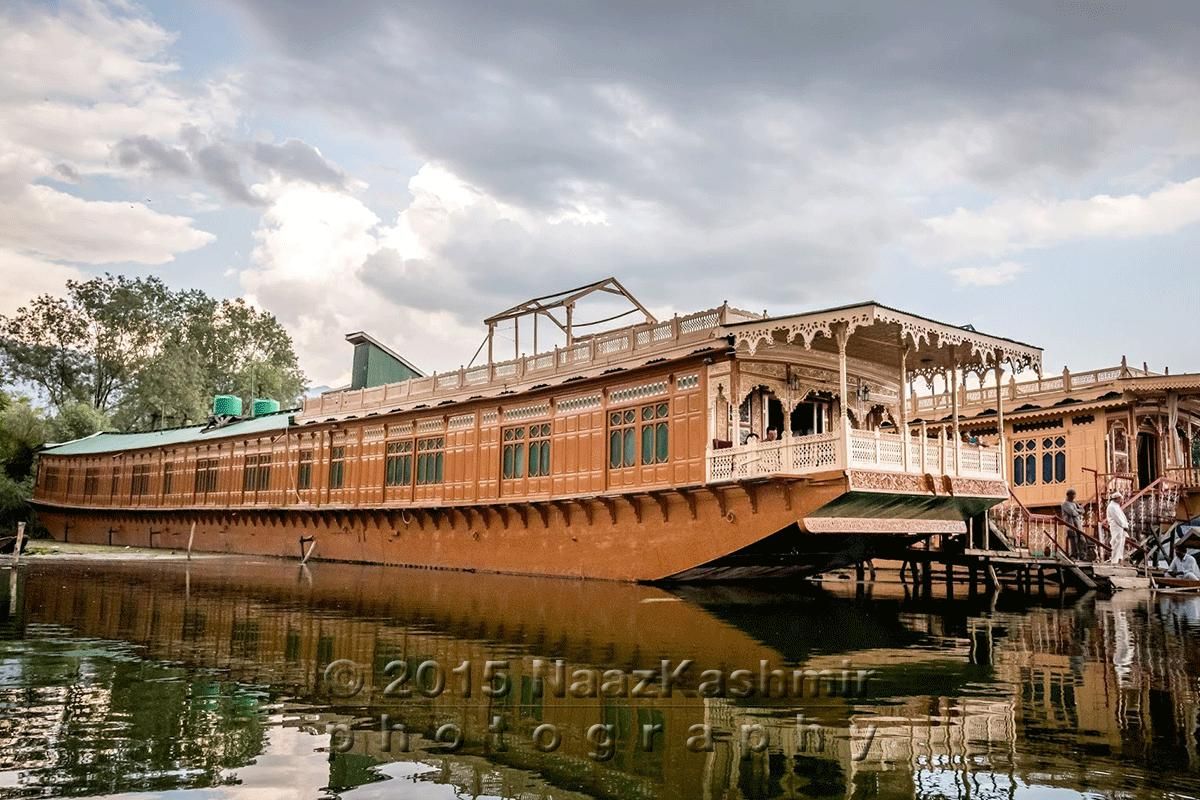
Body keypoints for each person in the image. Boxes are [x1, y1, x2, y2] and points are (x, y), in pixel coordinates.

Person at [1060, 489, 1086, 559]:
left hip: (1077, 524)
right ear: (1068, 495)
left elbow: (1083, 510)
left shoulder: (1075, 503)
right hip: (1070, 524)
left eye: (1074, 495)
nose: (1074, 496)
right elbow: (1072, 512)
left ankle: (1081, 554)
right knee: (1073, 540)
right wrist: (1078, 511)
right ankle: (1074, 555)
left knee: (1082, 539)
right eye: (1072, 495)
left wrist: (1077, 510)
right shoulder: (1065, 504)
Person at [1105, 491, 1130, 565]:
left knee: (1121, 543)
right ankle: (1114, 560)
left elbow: (1121, 517)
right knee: (1116, 543)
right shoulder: (1112, 506)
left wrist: (1125, 525)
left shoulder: (1116, 506)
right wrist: (1124, 525)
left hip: (1120, 527)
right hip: (1116, 526)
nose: (1121, 500)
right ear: (1116, 499)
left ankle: (1119, 559)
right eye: (1120, 498)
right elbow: (1117, 518)